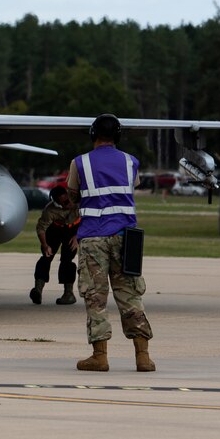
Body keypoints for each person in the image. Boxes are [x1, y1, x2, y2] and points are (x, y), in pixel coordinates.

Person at [67, 113, 155, 372]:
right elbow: (130, 188)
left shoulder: (79, 163)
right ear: (117, 136)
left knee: (95, 296)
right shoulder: (131, 162)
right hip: (125, 237)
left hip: (93, 236)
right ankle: (143, 357)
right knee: (130, 294)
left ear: (93, 135)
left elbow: (73, 195)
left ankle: (100, 356)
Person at [30, 185, 79, 305]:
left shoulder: (79, 200)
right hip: (56, 229)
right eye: (59, 204)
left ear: (68, 195)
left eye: (66, 202)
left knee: (67, 260)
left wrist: (78, 237)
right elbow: (41, 228)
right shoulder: (50, 209)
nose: (64, 206)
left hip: (75, 230)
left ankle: (68, 294)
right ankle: (37, 290)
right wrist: (45, 245)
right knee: (46, 257)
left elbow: (90, 219)